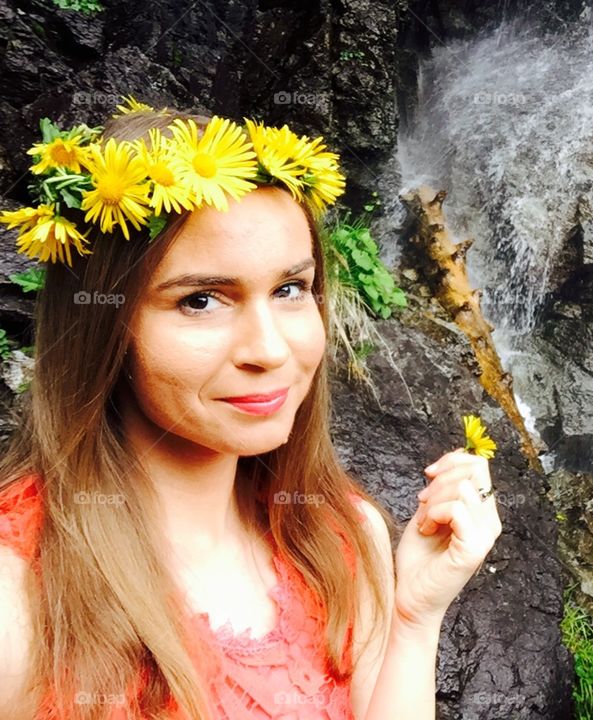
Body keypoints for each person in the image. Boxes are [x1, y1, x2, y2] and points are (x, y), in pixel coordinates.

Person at [0, 101, 502, 719]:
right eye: (202, 300)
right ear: (104, 325)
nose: (269, 349)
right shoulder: (19, 598)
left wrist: (413, 619)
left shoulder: (344, 539)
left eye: (290, 290)